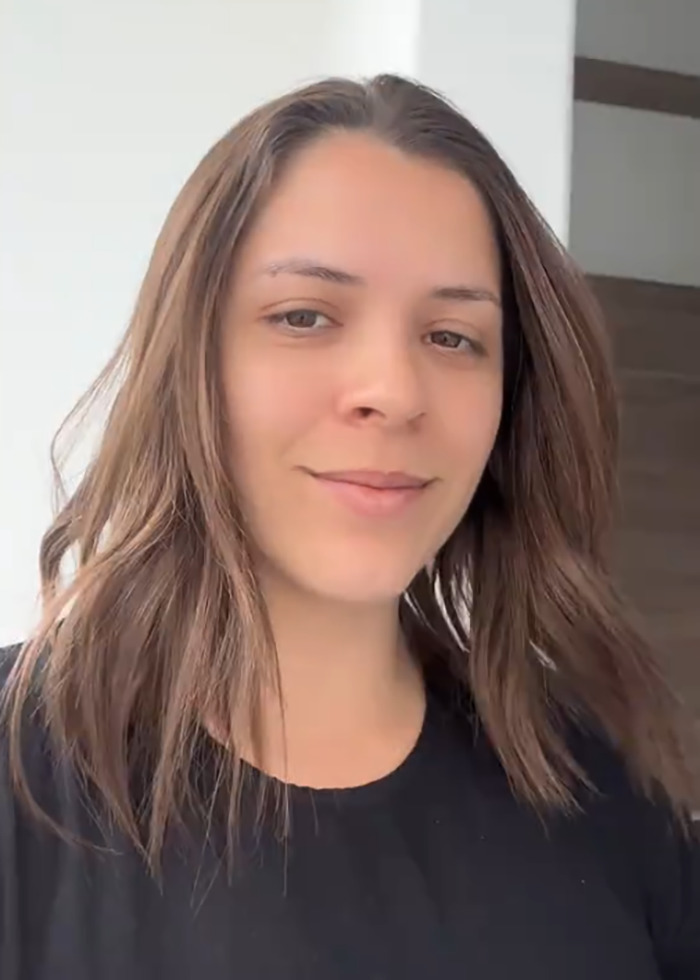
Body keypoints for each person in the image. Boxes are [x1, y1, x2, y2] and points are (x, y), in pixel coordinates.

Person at [1, 73, 698, 980]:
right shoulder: (24, 786)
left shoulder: (600, 787)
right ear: (192, 365)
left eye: (453, 337)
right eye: (304, 316)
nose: (394, 391)